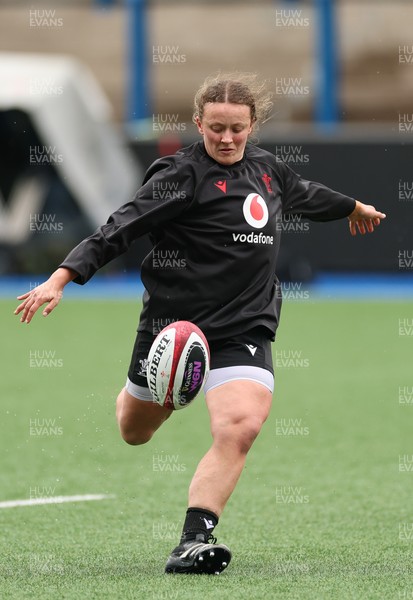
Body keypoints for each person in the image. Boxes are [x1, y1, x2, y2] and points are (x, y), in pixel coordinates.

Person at [15, 73, 386, 575]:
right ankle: (132, 396)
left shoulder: (269, 169)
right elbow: (118, 227)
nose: (227, 138)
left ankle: (193, 541)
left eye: (236, 128)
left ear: (252, 125)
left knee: (241, 426)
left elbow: (305, 193)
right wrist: (60, 278)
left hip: (244, 326)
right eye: (216, 129)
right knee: (134, 431)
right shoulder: (179, 175)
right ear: (199, 123)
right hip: (174, 330)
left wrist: (353, 207)